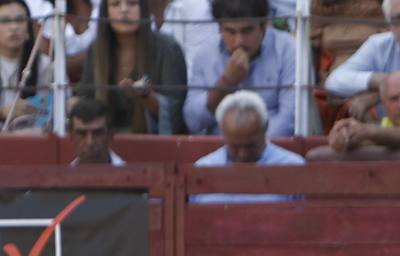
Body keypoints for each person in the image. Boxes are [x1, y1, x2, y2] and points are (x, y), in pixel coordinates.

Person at [184, 0, 303, 136]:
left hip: (270, 150)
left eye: (247, 31)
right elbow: (192, 121)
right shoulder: (206, 54)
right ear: (220, 29)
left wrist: (249, 147)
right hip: (219, 149)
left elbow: (289, 120)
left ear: (264, 26)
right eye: (230, 32)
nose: (239, 41)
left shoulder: (288, 50)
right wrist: (226, 82)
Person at [78, 0, 188, 133]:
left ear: (143, 10)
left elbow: (175, 113)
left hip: (156, 144)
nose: (124, 10)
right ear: (105, 13)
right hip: (106, 142)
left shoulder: (168, 48)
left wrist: (146, 97)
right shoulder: (95, 50)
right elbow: (86, 100)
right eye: (115, 4)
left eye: (132, 3)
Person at [195, 88, 305, 163]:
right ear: (223, 133)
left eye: (251, 146)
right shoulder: (203, 169)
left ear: (265, 128)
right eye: (235, 147)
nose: (243, 155)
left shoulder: (293, 167)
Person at [1, 0, 49, 129]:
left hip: (33, 140)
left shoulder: (46, 65)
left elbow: (53, 111)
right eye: (5, 21)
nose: (14, 27)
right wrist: (2, 112)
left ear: (29, 28)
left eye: (20, 20)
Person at [68, 97, 126, 162]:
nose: (90, 142)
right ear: (72, 137)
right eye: (82, 134)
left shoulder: (131, 172)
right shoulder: (63, 172)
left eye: (97, 133)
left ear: (110, 135)